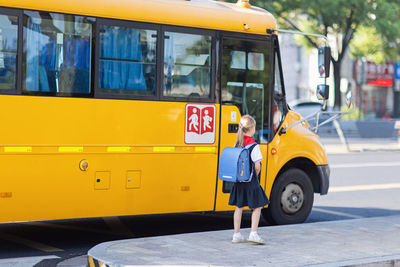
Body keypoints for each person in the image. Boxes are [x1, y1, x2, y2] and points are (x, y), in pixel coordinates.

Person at [229, 115, 269, 244]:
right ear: (251, 128)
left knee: (239, 207)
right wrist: (256, 176)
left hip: (239, 181)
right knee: (258, 206)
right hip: (251, 181)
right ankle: (253, 233)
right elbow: (257, 165)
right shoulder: (254, 145)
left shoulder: (237, 143)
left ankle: (236, 234)